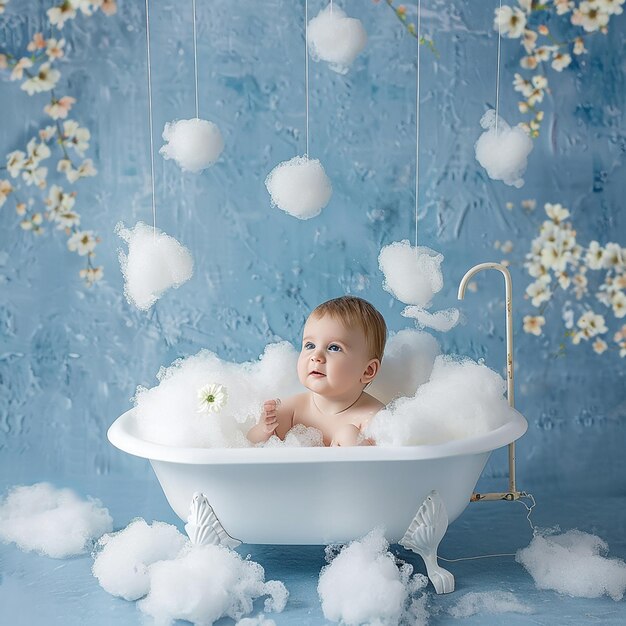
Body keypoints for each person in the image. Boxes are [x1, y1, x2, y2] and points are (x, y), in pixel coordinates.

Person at [247, 295, 387, 446]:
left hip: (345, 470)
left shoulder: (374, 417)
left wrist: (351, 439)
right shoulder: (292, 410)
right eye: (310, 345)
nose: (316, 356)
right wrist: (263, 429)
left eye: (334, 347)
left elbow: (379, 465)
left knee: (348, 434)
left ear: (367, 371)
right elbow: (248, 445)